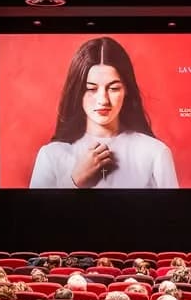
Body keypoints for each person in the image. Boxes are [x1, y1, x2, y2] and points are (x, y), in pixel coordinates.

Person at [29, 37, 178, 189]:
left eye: (113, 88)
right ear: (77, 91)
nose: (103, 100)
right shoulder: (51, 155)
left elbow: (173, 212)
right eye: (91, 89)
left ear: (126, 89)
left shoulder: (156, 153)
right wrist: (74, 181)